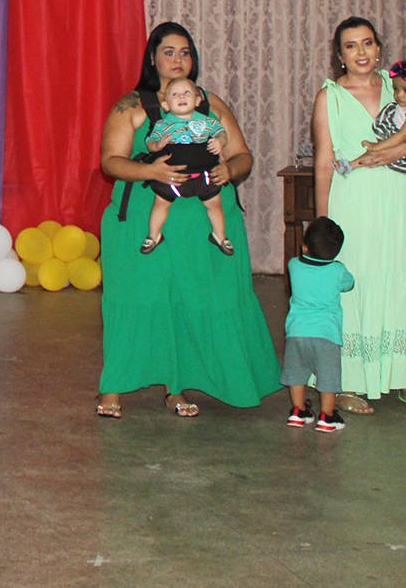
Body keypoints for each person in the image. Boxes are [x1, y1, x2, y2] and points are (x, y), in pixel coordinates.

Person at [96, 22, 278, 419]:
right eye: (169, 52)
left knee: (198, 300)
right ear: (153, 58)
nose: (178, 60)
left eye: (185, 53)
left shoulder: (210, 103)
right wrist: (152, 173)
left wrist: (232, 169)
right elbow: (110, 162)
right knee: (138, 300)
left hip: (204, 222)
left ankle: (176, 387)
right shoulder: (132, 105)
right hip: (147, 220)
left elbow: (243, 155)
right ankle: (112, 387)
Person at [312, 18, 406, 415]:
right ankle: (349, 381)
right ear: (339, 55)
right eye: (351, 46)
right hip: (352, 200)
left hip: (400, 197)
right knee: (357, 283)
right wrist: (323, 225)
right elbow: (324, 161)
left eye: (367, 43)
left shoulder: (399, 87)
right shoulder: (329, 97)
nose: (361, 53)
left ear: (379, 49)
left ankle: (405, 378)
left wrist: (402, 150)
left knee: (402, 278)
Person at [139, 77, 233, 256]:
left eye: (187, 93)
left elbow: (222, 133)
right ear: (166, 105)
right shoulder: (163, 124)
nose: (181, 96)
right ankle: (154, 236)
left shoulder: (208, 122)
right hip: (173, 176)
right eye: (175, 94)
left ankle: (220, 236)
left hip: (203, 174)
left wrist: (220, 141)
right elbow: (149, 142)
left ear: (197, 101)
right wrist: (157, 145)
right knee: (160, 203)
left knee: (214, 203)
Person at [282, 218, 354, 434]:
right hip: (326, 335)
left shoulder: (294, 265)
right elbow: (349, 284)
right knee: (328, 377)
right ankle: (327, 416)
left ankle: (298, 411)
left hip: (296, 333)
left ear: (305, 247)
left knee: (296, 374)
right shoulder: (337, 270)